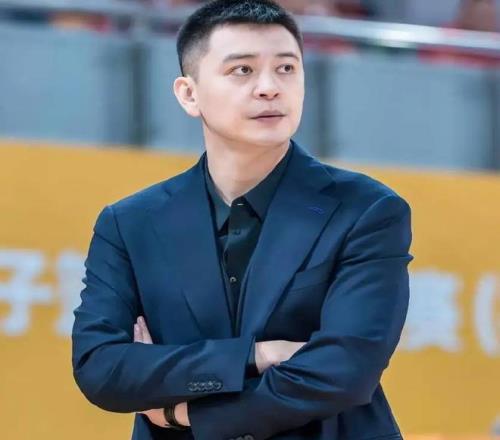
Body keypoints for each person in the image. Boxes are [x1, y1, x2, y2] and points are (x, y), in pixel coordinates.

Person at [71, 1, 413, 439]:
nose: (269, 88)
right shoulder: (130, 223)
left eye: (286, 68)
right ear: (189, 94)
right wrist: (257, 355)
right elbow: (101, 367)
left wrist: (186, 414)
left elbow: (344, 370)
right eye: (242, 70)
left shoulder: (367, 209)